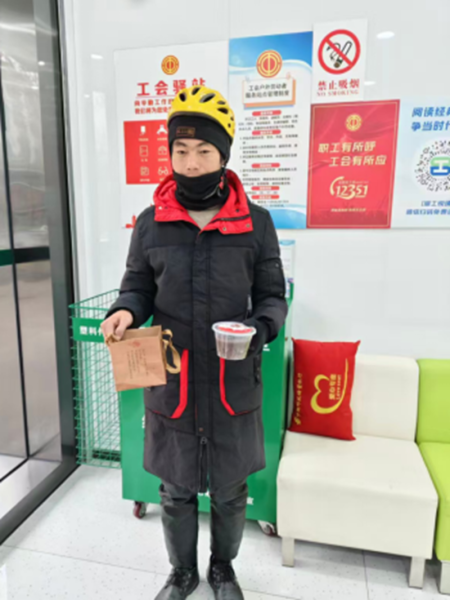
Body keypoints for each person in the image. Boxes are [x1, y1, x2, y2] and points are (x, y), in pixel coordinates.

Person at [101, 85, 288, 600]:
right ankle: (182, 573)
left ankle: (223, 570)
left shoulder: (256, 223)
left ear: (223, 155)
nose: (190, 162)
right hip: (174, 379)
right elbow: (137, 287)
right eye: (180, 150)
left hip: (232, 379)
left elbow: (272, 296)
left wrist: (259, 330)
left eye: (204, 150)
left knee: (230, 491)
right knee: (176, 489)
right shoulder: (150, 224)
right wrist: (123, 311)